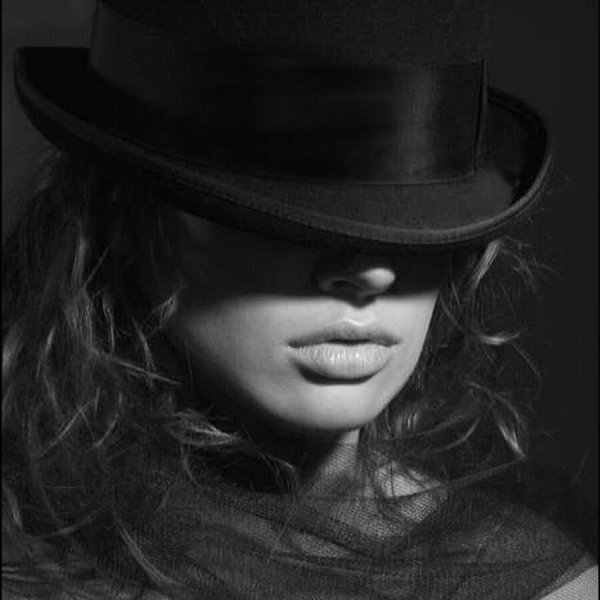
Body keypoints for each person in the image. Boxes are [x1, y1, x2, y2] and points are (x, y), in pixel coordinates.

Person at [2, 0, 597, 598]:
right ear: (128, 220)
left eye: (415, 222)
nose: (372, 274)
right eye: (288, 218)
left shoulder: (530, 579)